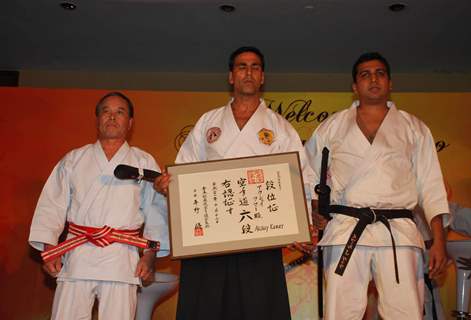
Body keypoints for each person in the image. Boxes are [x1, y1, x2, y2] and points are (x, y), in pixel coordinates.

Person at [154, 46, 315, 320]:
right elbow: (185, 168)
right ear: (231, 76)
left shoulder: (279, 127)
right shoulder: (209, 122)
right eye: (242, 66)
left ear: (262, 76)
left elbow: (301, 178)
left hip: (261, 240)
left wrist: (303, 225)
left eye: (255, 67)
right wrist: (169, 185)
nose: (248, 72)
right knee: (207, 308)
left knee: (258, 308)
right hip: (210, 241)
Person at [305, 52, 449, 319]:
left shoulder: (413, 128)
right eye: (365, 74)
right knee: (339, 313)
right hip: (346, 229)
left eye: (380, 73)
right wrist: (316, 211)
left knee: (405, 313)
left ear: (390, 83)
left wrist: (439, 241)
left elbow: (431, 186)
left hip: (398, 233)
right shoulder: (331, 127)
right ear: (354, 86)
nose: (373, 79)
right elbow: (309, 176)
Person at [28, 92, 169, 320]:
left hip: (121, 259)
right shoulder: (74, 159)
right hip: (78, 255)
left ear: (130, 123)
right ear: (97, 120)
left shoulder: (144, 162)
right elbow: (51, 205)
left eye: (120, 112)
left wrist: (150, 255)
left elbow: (156, 212)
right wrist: (48, 248)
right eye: (106, 111)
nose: (112, 117)